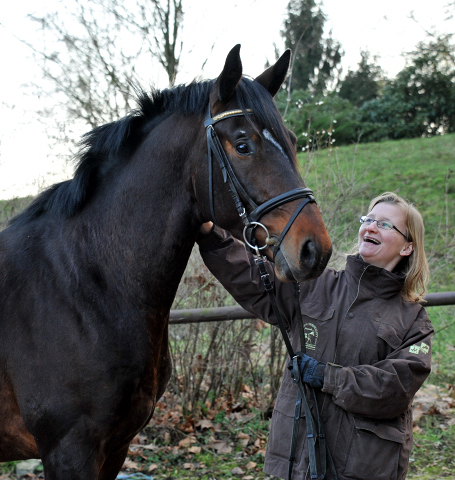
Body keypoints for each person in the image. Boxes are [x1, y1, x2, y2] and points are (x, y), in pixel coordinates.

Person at [197, 192, 433, 480]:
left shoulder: (414, 321)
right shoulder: (315, 285)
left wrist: (326, 376)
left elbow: (395, 387)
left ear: (407, 247)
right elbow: (256, 282)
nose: (370, 227)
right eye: (368, 220)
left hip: (362, 465)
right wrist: (212, 237)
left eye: (384, 225)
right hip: (297, 460)